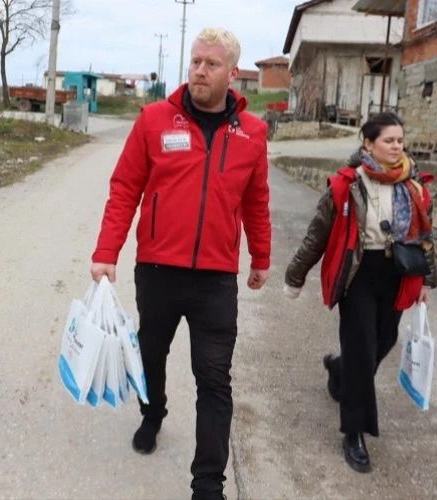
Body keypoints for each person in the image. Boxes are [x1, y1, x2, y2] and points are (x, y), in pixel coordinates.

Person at [90, 28, 271, 499]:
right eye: (194, 61)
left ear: (234, 74)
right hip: (158, 271)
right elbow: (125, 187)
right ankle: (154, 414)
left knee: (214, 379)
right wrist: (106, 252)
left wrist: (261, 256)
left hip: (216, 278)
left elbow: (256, 199)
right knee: (152, 352)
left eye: (210, 64)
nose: (198, 71)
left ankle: (208, 484)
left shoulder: (252, 132)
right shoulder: (154, 119)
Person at [284, 112, 437, 473]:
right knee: (361, 348)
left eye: (400, 140)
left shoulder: (413, 185)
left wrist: (427, 281)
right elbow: (317, 232)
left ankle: (339, 370)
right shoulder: (347, 184)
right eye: (389, 140)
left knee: (381, 344)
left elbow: (426, 236)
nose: (397, 146)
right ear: (368, 143)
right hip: (358, 276)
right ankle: (354, 432)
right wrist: (295, 275)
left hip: (398, 274)